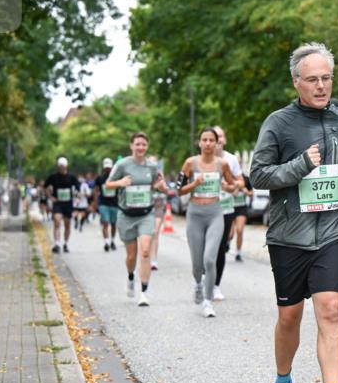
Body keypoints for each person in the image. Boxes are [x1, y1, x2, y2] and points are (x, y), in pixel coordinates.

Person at [249, 42, 338, 383]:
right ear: (296, 82)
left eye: (327, 78)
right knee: (290, 317)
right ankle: (283, 382)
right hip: (288, 236)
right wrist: (301, 165)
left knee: (330, 311)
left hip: (333, 231)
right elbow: (258, 175)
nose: (322, 86)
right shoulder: (279, 122)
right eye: (313, 79)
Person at [177, 128, 239, 317]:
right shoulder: (190, 163)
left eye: (212, 140)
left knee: (210, 260)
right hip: (195, 214)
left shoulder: (223, 164)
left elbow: (232, 185)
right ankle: (198, 284)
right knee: (197, 264)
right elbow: (179, 191)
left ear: (216, 143)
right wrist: (195, 184)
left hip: (215, 213)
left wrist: (230, 186)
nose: (208, 143)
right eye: (204, 140)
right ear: (199, 142)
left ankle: (207, 301)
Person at [104, 133, 170, 306]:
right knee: (131, 255)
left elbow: (161, 186)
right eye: (137, 144)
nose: (140, 147)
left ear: (147, 146)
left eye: (144, 144)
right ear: (131, 146)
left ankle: (144, 292)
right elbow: (108, 184)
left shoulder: (152, 166)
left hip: (146, 214)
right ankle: (130, 276)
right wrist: (120, 183)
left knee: (146, 251)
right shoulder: (122, 164)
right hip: (126, 215)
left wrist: (161, 187)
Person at [212, 125, 244, 300]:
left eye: (221, 136)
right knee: (206, 248)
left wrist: (232, 186)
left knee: (220, 248)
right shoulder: (201, 160)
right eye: (214, 136)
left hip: (225, 208)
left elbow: (240, 182)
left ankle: (216, 285)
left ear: (224, 140)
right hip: (205, 209)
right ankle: (203, 277)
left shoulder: (231, 159)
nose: (218, 140)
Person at [44, 157, 80, 253]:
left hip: (68, 203)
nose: (61, 168)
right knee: (57, 221)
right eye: (60, 167)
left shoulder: (71, 177)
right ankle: (56, 244)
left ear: (66, 166)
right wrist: (50, 197)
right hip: (58, 203)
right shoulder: (53, 177)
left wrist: (76, 196)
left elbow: (77, 189)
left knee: (67, 224)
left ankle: (66, 243)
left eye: (63, 166)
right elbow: (45, 187)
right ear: (58, 167)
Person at [93, 158, 119, 251]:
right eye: (106, 168)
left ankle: (112, 240)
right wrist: (95, 203)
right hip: (103, 204)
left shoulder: (116, 178)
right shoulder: (100, 178)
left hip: (115, 204)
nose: (107, 169)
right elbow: (96, 190)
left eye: (109, 168)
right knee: (105, 222)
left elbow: (120, 190)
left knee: (113, 224)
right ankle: (106, 242)